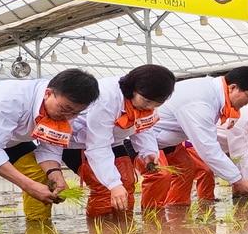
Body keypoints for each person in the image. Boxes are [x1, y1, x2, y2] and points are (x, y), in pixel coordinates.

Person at [0, 68, 100, 226]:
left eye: (75, 113)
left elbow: (50, 148)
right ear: (48, 93)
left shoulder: (65, 112)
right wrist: (28, 186)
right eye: (65, 109)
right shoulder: (13, 99)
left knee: (39, 173)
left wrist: (56, 175)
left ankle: (40, 231)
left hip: (12, 136)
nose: (68, 117)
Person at [143, 66, 248, 209]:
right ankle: (151, 218)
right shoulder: (200, 101)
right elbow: (208, 148)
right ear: (233, 87)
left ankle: (177, 210)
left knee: (186, 170)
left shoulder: (214, 94)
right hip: (148, 136)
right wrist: (238, 180)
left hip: (169, 140)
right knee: (161, 175)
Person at [60, 65, 175, 219]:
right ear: (132, 89)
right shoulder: (107, 97)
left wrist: (148, 152)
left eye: (156, 104)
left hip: (113, 141)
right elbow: (97, 147)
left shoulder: (147, 102)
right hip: (79, 143)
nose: (150, 107)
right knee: (104, 188)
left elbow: (143, 127)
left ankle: (125, 231)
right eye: (147, 101)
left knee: (127, 182)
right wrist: (113, 184)